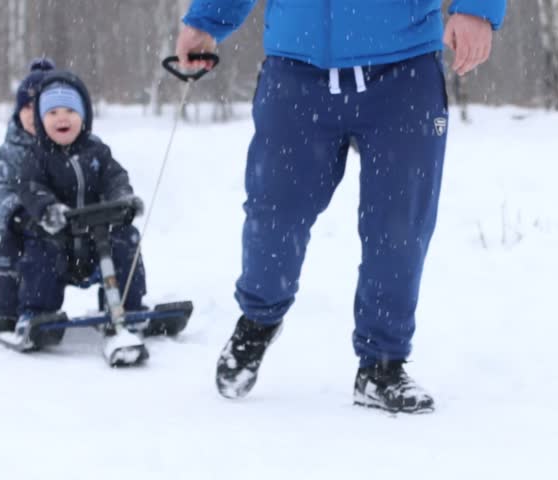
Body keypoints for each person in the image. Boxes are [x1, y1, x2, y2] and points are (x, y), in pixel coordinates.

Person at [176, 0, 507, 413]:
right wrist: (207, 19)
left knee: (400, 225)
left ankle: (382, 364)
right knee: (274, 214)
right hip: (296, 70)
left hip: (403, 71)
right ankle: (259, 319)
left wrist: (478, 7)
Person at [12, 70, 146, 345]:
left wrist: (122, 198)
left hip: (97, 240)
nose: (62, 118)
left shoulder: (97, 151)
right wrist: (48, 209)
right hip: (57, 239)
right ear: (41, 120)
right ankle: (36, 313)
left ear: (84, 116)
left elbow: (115, 177)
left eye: (71, 111)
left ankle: (124, 305)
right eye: (53, 113)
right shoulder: (36, 157)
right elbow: (30, 187)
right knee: (40, 253)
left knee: (127, 240)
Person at [0, 57, 55, 333]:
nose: (32, 114)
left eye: (40, 107)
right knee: (7, 255)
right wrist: (16, 213)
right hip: (22, 229)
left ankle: (119, 301)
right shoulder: (11, 151)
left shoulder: (68, 146)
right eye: (26, 107)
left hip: (64, 226)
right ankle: (9, 311)